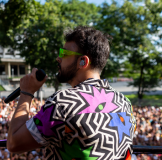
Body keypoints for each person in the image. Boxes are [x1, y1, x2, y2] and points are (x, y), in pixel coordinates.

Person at [11, 27, 136, 159]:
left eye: (64, 54)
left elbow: (14, 143)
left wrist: (26, 93)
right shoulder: (124, 102)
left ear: (83, 61)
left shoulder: (63, 103)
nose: (58, 58)